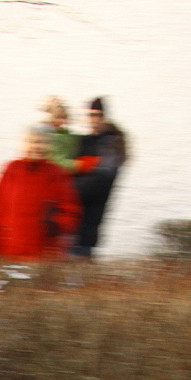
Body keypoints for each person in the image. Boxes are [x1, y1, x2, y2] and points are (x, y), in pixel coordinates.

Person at [0, 131, 80, 261]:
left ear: (50, 146)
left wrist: (55, 225)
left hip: (43, 254)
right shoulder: (11, 170)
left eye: (43, 142)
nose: (38, 146)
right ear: (24, 145)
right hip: (8, 251)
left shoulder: (58, 174)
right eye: (33, 142)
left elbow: (71, 211)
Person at [71, 97, 128, 259]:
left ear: (105, 117)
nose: (94, 120)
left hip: (86, 231)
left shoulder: (111, 147)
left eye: (98, 115)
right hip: (66, 225)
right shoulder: (83, 141)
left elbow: (98, 183)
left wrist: (64, 191)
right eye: (90, 115)